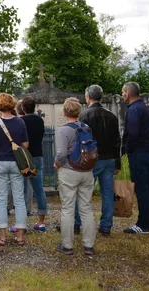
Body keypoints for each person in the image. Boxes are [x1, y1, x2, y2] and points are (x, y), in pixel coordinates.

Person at [73, 85, 121, 236]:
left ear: (88, 97)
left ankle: (76, 223)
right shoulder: (112, 116)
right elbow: (117, 141)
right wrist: (117, 162)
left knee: (82, 192)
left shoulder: (84, 116)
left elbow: (79, 140)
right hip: (109, 159)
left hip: (90, 160)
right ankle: (106, 226)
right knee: (107, 193)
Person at [0, 93, 28, 247]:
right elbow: (26, 145)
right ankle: (20, 236)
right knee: (19, 199)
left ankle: (3, 237)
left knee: (2, 199)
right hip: (16, 162)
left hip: (0, 162)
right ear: (12, 105)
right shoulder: (20, 122)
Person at [55, 97, 96, 256]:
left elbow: (62, 153)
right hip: (86, 171)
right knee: (86, 208)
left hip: (69, 171)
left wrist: (57, 163)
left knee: (68, 208)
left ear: (65, 111)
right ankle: (88, 245)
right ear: (79, 111)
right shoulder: (86, 127)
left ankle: (67, 245)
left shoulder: (64, 130)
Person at [122, 82, 149, 235]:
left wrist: (128, 149)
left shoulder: (133, 110)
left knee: (142, 188)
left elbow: (132, 133)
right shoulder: (148, 109)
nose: (123, 95)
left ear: (128, 93)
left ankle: (143, 224)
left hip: (138, 153)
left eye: (123, 92)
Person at [20, 97, 48, 232]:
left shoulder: (21, 121)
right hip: (37, 156)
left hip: (25, 158)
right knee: (39, 190)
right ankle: (41, 222)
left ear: (23, 108)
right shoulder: (39, 120)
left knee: (23, 190)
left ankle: (22, 222)